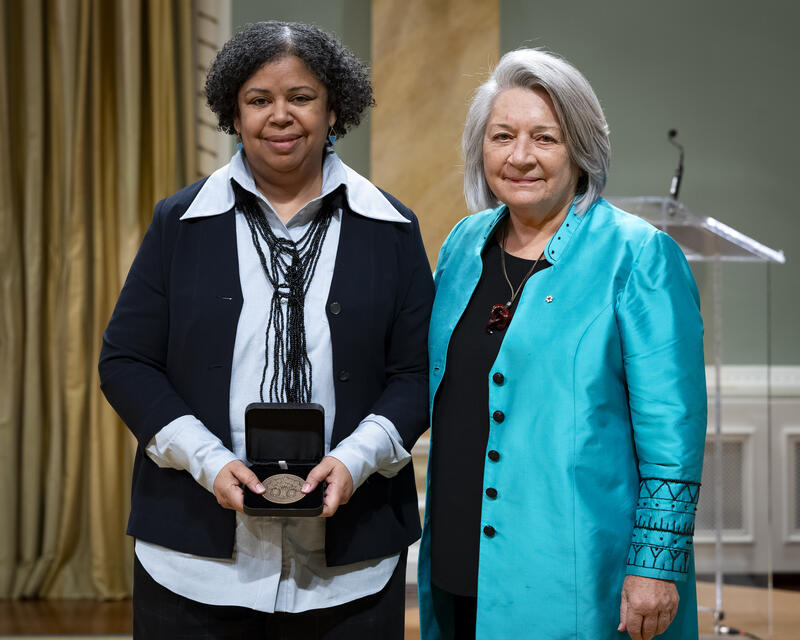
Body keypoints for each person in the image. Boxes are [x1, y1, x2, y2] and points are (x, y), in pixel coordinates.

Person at [99, 21, 433, 639]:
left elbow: (417, 374)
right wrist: (207, 461)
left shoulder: (392, 228)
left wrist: (355, 460)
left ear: (335, 107)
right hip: (192, 563)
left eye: (301, 97)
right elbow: (125, 361)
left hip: (351, 567)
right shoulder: (179, 221)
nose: (281, 115)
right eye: (259, 99)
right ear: (234, 111)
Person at [418, 48, 706, 640]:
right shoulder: (461, 245)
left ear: (581, 149)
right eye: (502, 136)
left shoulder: (638, 254)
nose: (520, 156)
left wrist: (655, 565)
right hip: (458, 552)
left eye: (544, 138)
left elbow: (672, 432)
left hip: (576, 572)